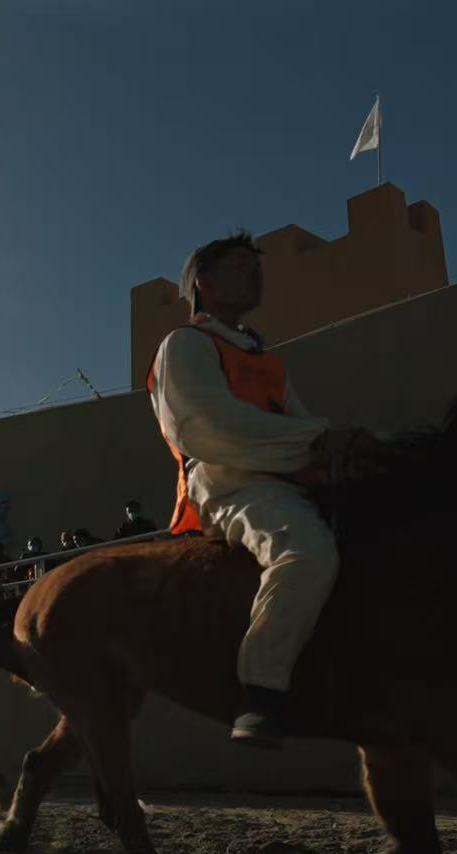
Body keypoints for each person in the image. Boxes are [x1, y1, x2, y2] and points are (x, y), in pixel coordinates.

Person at [148, 229, 371, 746]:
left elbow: (297, 421)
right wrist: (316, 438)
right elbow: (205, 426)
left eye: (258, 265)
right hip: (232, 485)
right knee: (307, 554)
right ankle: (262, 689)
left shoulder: (264, 356)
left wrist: (341, 447)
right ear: (203, 281)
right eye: (241, 264)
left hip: (288, 475)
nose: (256, 274)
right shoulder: (184, 344)